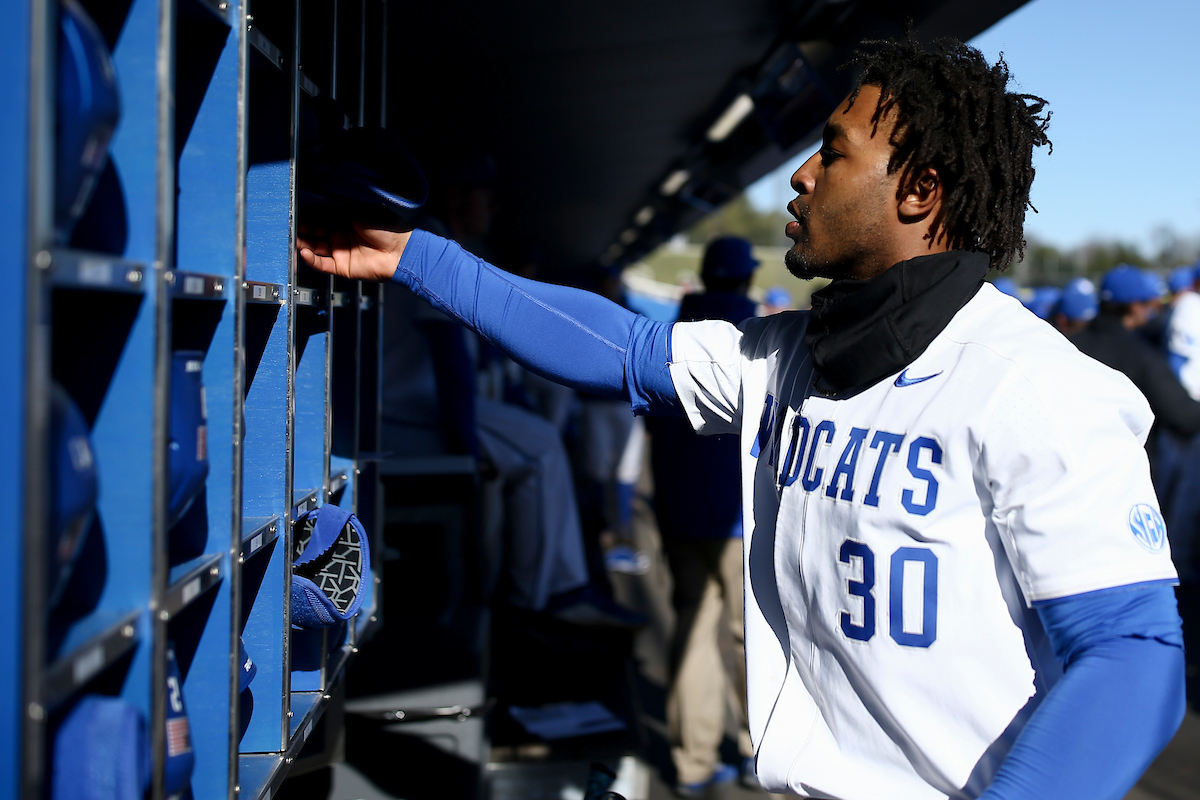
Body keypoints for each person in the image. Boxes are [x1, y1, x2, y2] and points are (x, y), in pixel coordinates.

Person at [299, 37, 1185, 800]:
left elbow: (1134, 653)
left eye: (832, 152)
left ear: (919, 190)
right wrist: (417, 257)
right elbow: (618, 349)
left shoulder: (1039, 386)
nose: (801, 174)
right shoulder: (784, 350)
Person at [646, 237, 760, 796]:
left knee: (692, 629)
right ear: (745, 278)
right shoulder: (760, 339)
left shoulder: (669, 334)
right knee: (752, 638)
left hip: (679, 508)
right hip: (742, 519)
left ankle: (693, 762)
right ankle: (759, 753)